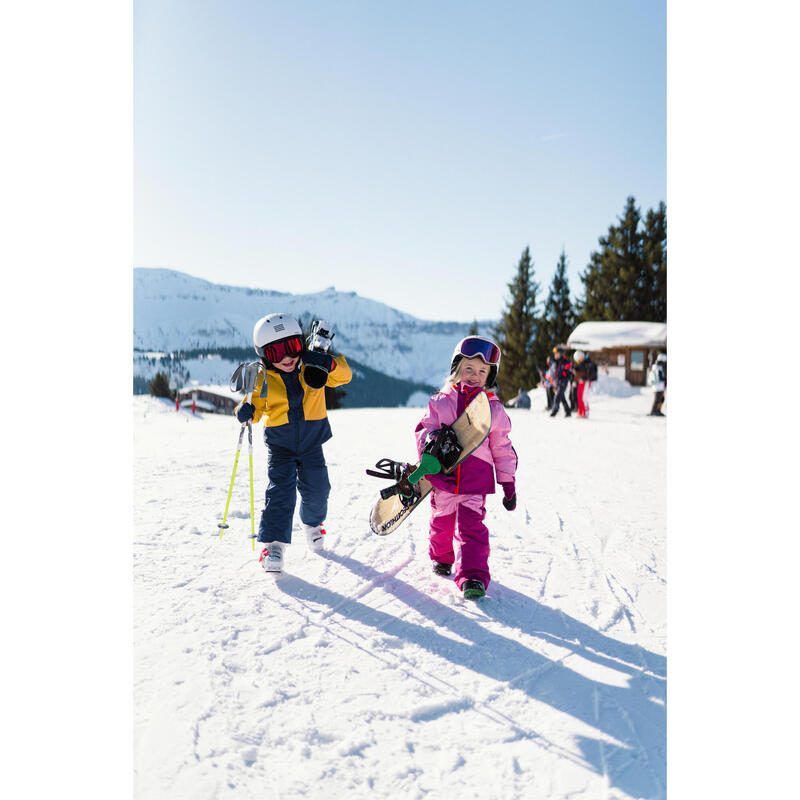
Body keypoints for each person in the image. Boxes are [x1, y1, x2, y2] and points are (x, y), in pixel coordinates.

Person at [234, 313, 353, 572]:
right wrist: (244, 411)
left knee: (318, 490)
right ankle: (273, 546)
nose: (287, 357)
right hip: (282, 447)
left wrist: (325, 362)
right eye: (277, 352)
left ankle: (312, 524)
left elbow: (345, 376)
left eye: (293, 348)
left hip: (312, 444)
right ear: (265, 355)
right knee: (280, 494)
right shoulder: (264, 379)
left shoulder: (313, 370)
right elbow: (252, 406)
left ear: (302, 344)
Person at [413, 336, 518, 599]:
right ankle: (442, 556)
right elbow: (423, 430)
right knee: (442, 524)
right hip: (444, 479)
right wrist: (430, 441)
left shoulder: (492, 410)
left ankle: (472, 576)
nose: (474, 375)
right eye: (469, 368)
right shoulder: (441, 402)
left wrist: (508, 482)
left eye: (482, 371)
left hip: (475, 481)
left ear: (489, 376)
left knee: (473, 530)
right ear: (456, 368)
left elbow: (502, 448)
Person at [549, 346, 573, 418]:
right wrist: (552, 381)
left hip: (563, 382)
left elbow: (570, 372)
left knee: (557, 396)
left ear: (561, 354)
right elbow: (553, 373)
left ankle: (555, 410)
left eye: (557, 354)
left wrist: (566, 375)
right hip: (556, 383)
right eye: (555, 354)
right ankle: (568, 411)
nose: (555, 355)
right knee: (562, 397)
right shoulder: (554, 363)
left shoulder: (565, 363)